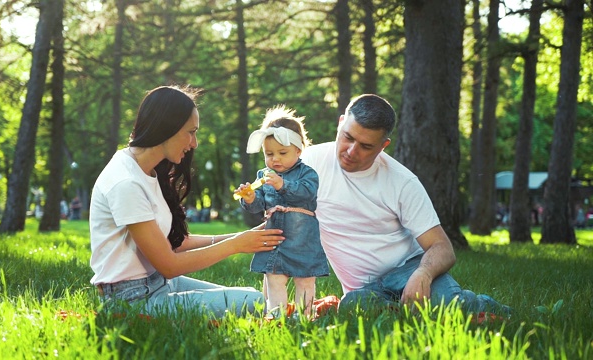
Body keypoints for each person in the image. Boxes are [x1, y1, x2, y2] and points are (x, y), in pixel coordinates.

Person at [301, 94, 510, 316]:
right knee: (353, 307)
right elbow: (280, 214)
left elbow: (442, 247)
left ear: (383, 146)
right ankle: (403, 311)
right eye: (348, 137)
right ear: (341, 122)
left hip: (409, 270)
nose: (352, 151)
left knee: (452, 309)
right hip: (363, 289)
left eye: (365, 146)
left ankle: (492, 309)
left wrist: (424, 274)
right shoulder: (309, 165)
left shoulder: (402, 182)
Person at [89, 85, 285, 318]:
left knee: (253, 297)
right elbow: (169, 265)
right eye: (191, 132)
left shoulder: (147, 171)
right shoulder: (126, 182)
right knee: (253, 302)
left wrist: (244, 236)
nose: (194, 143)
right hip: (130, 300)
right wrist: (236, 245)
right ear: (166, 128)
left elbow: (173, 244)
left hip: (157, 284)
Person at [236, 105, 329, 316]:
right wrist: (250, 198)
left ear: (298, 150)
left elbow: (307, 193)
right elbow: (260, 204)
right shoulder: (264, 175)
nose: (275, 159)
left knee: (305, 280)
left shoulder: (308, 174)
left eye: (282, 153)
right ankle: (276, 315)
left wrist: (282, 185)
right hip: (274, 238)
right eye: (269, 154)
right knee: (274, 278)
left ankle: (303, 316)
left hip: (302, 239)